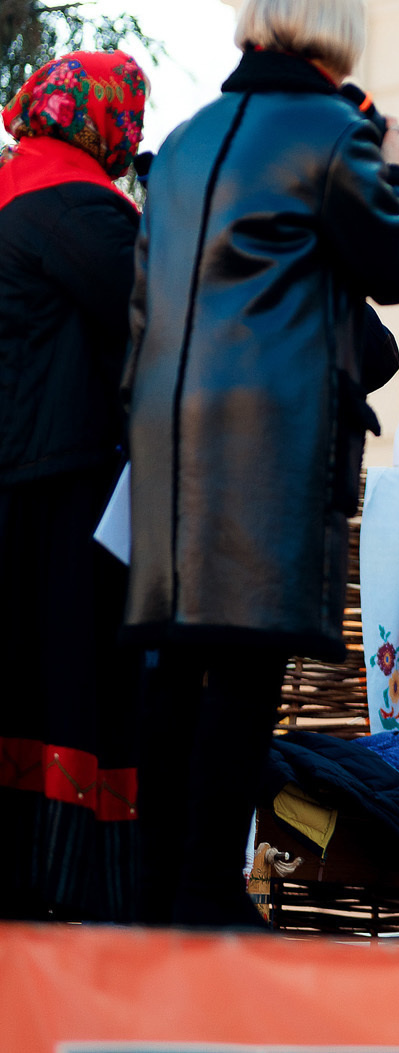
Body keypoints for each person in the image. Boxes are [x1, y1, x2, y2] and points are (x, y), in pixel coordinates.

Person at [125, 0, 399, 927]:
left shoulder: (180, 141)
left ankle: (155, 885)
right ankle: (207, 888)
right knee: (249, 668)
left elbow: (144, 301)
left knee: (178, 663)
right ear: (334, 32)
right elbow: (397, 262)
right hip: (271, 433)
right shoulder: (335, 133)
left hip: (170, 436)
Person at [0, 51, 150, 921]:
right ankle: (72, 893)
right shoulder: (85, 211)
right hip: (67, 489)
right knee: (71, 688)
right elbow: (154, 322)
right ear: (106, 122)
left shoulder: (14, 190)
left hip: (16, 481)